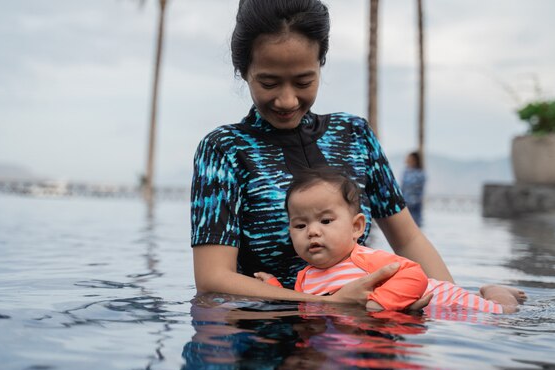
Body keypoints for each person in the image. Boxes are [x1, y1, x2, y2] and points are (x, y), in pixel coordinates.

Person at [191, 0, 452, 307]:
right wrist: (325, 303)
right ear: (244, 71)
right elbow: (213, 280)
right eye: (269, 82)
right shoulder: (224, 150)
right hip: (266, 339)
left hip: (357, 337)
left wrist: (457, 301)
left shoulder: (355, 135)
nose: (287, 100)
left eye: (304, 81)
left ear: (320, 63)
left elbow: (408, 239)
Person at [256, 169, 527, 314]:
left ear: (356, 227)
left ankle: (494, 289)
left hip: (446, 299)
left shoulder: (363, 259)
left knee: (502, 314)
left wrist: (380, 302)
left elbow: (413, 272)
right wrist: (272, 286)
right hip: (428, 314)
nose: (312, 232)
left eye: (325, 221)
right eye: (300, 225)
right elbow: (303, 301)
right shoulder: (305, 277)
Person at [401, 151, 426, 226]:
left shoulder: (420, 173)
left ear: (415, 160)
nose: (407, 160)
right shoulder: (405, 172)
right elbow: (403, 187)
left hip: (415, 205)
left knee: (416, 224)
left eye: (409, 159)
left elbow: (418, 189)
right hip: (405, 204)